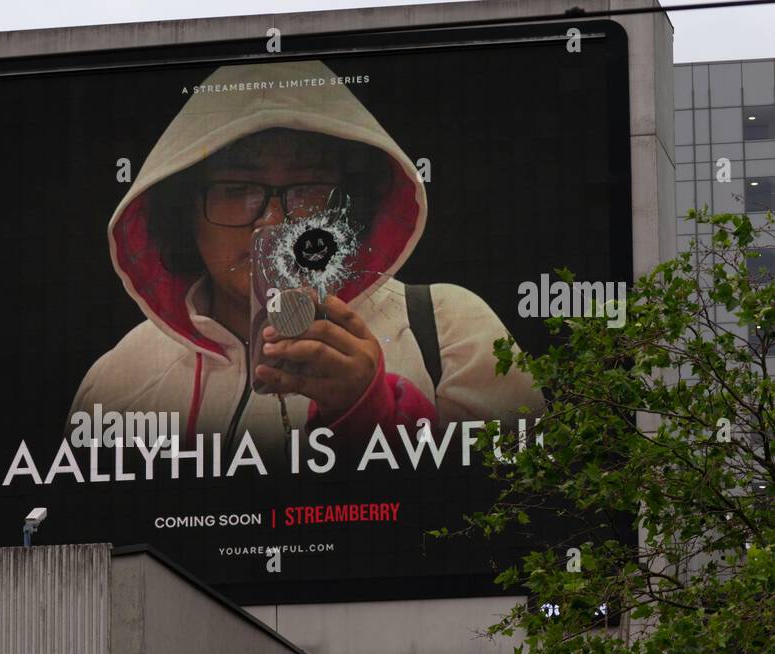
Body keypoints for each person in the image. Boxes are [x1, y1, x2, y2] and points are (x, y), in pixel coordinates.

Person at [68, 58, 544, 458]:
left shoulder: (451, 329)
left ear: (351, 204)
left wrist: (370, 413)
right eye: (237, 189)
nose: (273, 221)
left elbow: (521, 525)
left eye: (309, 187)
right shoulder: (118, 380)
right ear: (181, 211)